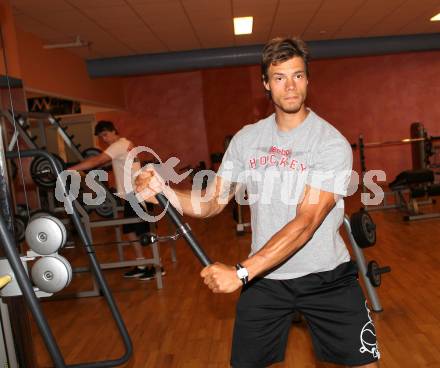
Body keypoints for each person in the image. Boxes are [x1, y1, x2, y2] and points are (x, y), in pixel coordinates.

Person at [135, 37, 379, 367]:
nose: (290, 86)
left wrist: (241, 272)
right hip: (266, 281)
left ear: (308, 78)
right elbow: (211, 202)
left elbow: (306, 222)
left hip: (325, 277)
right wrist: (164, 190)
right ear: (266, 83)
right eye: (279, 77)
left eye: (297, 75)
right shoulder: (248, 140)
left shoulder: (330, 143)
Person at [68, 120, 165, 281]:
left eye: (105, 135)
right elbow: (108, 162)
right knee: (130, 231)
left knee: (144, 233)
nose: (104, 139)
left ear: (114, 131)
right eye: (101, 137)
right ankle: (142, 265)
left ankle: (157, 267)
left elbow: (97, 160)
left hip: (137, 194)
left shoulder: (118, 145)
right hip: (132, 194)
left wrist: (70, 169)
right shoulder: (125, 143)